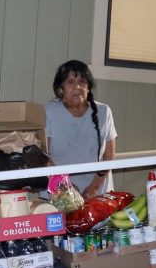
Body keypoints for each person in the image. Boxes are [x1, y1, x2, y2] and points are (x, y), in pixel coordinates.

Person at [46, 60, 117, 199]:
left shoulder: (103, 111)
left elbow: (109, 155)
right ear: (61, 89)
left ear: (88, 87)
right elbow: (43, 156)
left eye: (82, 81)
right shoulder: (49, 111)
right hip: (61, 194)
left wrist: (94, 187)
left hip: (98, 193)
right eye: (70, 82)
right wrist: (66, 187)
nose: (77, 86)